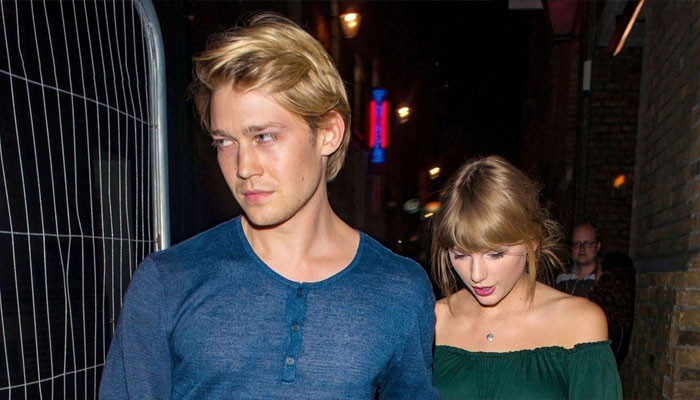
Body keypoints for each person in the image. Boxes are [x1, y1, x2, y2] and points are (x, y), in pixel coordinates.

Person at [99, 14, 437, 399]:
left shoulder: (399, 289)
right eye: (225, 142)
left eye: (264, 136)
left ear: (328, 133)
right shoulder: (168, 281)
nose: (243, 167)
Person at [431, 156, 621, 399]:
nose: (476, 275)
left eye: (495, 254)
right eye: (461, 255)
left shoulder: (578, 322)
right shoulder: (433, 321)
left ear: (532, 242)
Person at [589, 251, 636, 368]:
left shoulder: (596, 313)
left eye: (598, 270)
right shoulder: (623, 314)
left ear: (606, 277)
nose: (595, 275)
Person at [556, 222, 601, 297]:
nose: (582, 248)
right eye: (576, 244)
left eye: (587, 243)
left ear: (598, 246)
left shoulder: (605, 279)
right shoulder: (560, 278)